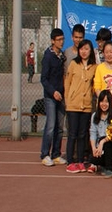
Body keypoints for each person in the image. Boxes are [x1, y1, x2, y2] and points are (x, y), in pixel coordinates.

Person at [64, 39, 97, 173]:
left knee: (83, 134)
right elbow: (67, 83)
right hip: (73, 105)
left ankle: (80, 161)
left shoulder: (94, 66)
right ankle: (70, 161)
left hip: (87, 105)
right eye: (82, 49)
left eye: (86, 49)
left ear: (90, 51)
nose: (84, 52)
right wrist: (67, 100)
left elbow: (94, 85)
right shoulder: (73, 64)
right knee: (72, 134)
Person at [41, 28, 67, 166]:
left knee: (59, 127)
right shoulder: (48, 57)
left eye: (62, 39)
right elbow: (44, 79)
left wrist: (62, 92)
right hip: (51, 97)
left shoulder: (61, 56)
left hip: (61, 96)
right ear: (52, 41)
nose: (61, 42)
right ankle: (45, 154)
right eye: (58, 40)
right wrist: (53, 92)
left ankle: (56, 154)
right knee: (50, 126)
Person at [88, 90, 112, 177]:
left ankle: (109, 169)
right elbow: (93, 133)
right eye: (102, 101)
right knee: (92, 159)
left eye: (106, 102)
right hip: (99, 146)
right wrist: (94, 148)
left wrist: (102, 142)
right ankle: (104, 164)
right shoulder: (94, 115)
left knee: (106, 142)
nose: (104, 104)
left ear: (110, 103)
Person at [94, 41, 112, 110]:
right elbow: (97, 88)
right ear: (103, 53)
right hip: (103, 107)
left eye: (111, 52)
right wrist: (105, 102)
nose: (109, 54)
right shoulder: (99, 68)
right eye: (106, 52)